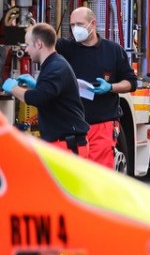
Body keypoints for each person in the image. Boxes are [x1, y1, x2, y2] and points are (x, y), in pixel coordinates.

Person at [56, 7, 138, 169]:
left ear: (93, 24)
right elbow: (43, 42)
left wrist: (110, 87)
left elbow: (131, 82)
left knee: (99, 173)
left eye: (79, 24)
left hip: (102, 124)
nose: (75, 29)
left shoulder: (113, 51)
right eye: (72, 25)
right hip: (71, 125)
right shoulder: (65, 48)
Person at [2, 23, 90, 156]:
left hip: (67, 146)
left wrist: (12, 88)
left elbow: (38, 98)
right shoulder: (54, 64)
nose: (26, 50)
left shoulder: (55, 68)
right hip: (63, 144)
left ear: (38, 44)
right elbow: (50, 94)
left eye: (28, 45)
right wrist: (37, 85)